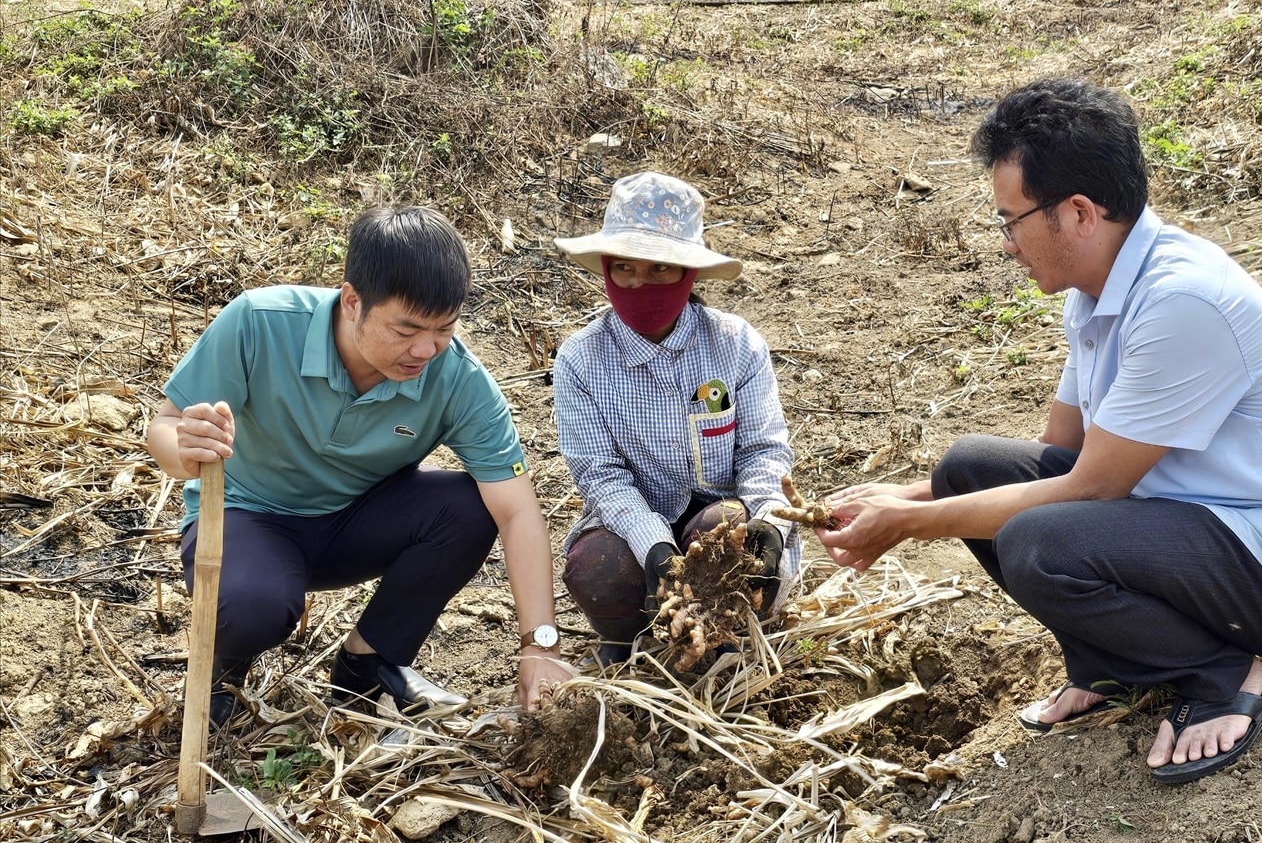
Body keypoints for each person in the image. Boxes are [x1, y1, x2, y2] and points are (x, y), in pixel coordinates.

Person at [816, 78, 1262, 784]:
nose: (1009, 243)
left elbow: (1091, 486)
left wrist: (908, 522)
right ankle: (1113, 667)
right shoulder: (1098, 292)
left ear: (1078, 212)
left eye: (1011, 220)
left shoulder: (1180, 301)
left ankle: (1223, 672)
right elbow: (1066, 449)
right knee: (967, 467)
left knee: (1036, 543)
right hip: (1197, 522)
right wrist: (907, 494)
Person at [146, 206, 572, 727]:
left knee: (470, 507)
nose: (425, 350)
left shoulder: (457, 378)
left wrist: (541, 646)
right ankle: (223, 669)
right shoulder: (261, 323)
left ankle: (368, 661)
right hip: (247, 517)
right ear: (352, 302)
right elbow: (164, 425)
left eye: (444, 328)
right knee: (250, 604)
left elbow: (519, 513)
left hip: (354, 523)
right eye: (406, 329)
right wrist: (185, 451)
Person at [551, 171, 798, 666]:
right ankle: (627, 639)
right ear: (606, 270)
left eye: (660, 269)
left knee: (727, 531)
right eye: (624, 268)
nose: (640, 283)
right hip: (633, 520)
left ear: (689, 273)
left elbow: (763, 451)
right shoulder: (581, 359)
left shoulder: (735, 344)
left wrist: (770, 521)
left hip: (719, 511)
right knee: (597, 570)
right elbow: (601, 477)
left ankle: (730, 634)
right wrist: (653, 547)